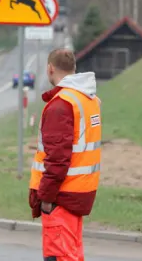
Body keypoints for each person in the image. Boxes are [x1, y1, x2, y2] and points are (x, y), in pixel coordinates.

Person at [28, 48, 102, 261]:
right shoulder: (88, 100)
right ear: (73, 69)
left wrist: (47, 197)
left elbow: (57, 158)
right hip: (79, 192)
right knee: (71, 255)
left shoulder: (60, 105)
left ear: (50, 69)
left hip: (61, 196)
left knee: (59, 256)